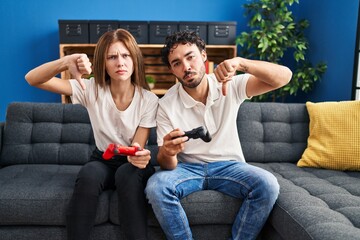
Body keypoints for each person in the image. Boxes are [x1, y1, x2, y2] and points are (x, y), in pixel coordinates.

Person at [145, 31, 292, 240]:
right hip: (187, 169)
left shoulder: (229, 84)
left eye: (190, 56)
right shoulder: (166, 104)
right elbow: (167, 165)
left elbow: (285, 77)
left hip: (230, 165)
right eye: (177, 63)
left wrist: (240, 63)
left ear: (203, 55)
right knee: (156, 186)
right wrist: (168, 152)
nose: (186, 67)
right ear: (171, 70)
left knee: (268, 184)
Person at [25, 29, 158, 240]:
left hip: (133, 162)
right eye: (112, 57)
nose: (120, 63)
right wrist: (67, 61)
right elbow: (32, 79)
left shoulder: (149, 100)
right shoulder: (91, 89)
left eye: (125, 56)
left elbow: (137, 146)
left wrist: (139, 156)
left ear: (135, 59)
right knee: (89, 174)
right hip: (103, 159)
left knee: (127, 175)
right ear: (103, 63)